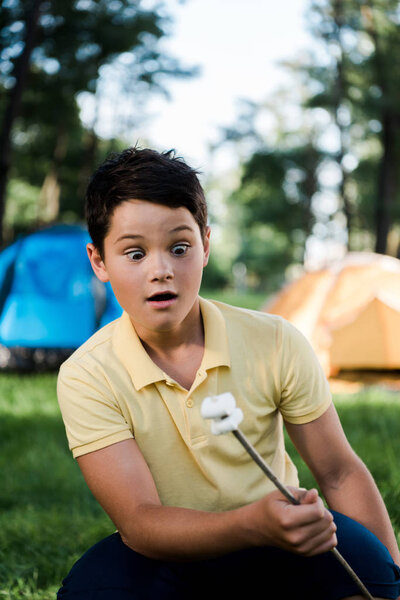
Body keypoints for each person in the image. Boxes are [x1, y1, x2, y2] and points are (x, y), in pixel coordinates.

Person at [57, 146, 400, 600]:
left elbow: (338, 472)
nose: (161, 270)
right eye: (134, 254)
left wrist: (390, 576)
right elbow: (140, 522)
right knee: (94, 588)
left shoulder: (274, 340)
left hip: (282, 543)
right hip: (168, 554)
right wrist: (249, 524)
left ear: (205, 246)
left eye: (179, 248)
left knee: (366, 565)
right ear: (99, 261)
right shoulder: (87, 374)